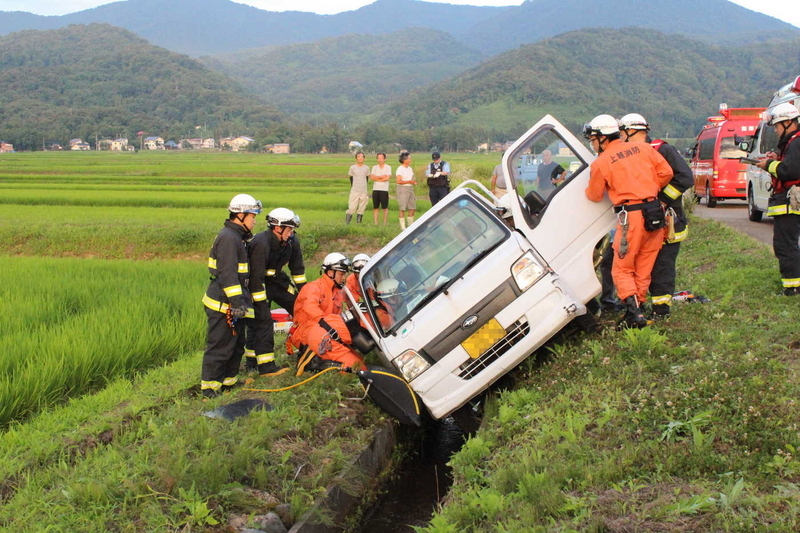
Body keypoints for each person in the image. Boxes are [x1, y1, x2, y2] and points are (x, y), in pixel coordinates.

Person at [584, 114, 673, 328]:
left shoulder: (601, 162)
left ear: (602, 137)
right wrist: (648, 188)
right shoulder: (644, 149)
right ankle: (639, 311)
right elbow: (667, 173)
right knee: (644, 265)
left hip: (630, 216)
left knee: (621, 268)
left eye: (593, 139)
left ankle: (633, 314)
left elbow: (594, 195)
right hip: (655, 212)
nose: (593, 144)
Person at [619, 113, 694, 318]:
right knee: (643, 265)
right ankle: (639, 306)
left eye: (622, 133)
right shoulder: (630, 155)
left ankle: (661, 310)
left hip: (668, 220)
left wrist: (661, 200)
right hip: (645, 223)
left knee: (662, 266)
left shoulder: (662, 149)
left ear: (631, 131)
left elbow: (685, 177)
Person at [201, 194, 261, 398]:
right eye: (253, 215)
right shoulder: (229, 238)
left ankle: (228, 382)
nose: (255, 220)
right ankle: (210, 388)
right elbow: (228, 275)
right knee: (220, 346)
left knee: (236, 346)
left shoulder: (238, 237)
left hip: (234, 304)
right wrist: (237, 303)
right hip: (223, 304)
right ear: (241, 215)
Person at [244, 207, 303, 376]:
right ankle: (255, 364)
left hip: (278, 281)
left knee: (300, 307)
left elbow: (297, 271)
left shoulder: (292, 242)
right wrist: (260, 302)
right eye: (289, 229)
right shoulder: (261, 243)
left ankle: (306, 346)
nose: (291, 233)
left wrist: (306, 295)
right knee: (261, 320)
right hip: (258, 283)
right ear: (277, 228)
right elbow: (256, 277)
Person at [290, 253, 365, 372]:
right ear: (331, 272)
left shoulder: (337, 293)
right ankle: (315, 362)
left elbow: (336, 318)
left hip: (325, 331)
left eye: (344, 274)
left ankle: (325, 360)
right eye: (341, 274)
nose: (344, 278)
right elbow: (311, 310)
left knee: (359, 360)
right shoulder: (313, 288)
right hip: (307, 333)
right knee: (356, 366)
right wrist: (331, 327)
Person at [755, 103, 800, 295]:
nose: (775, 130)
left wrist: (769, 164)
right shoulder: (792, 143)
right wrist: (776, 159)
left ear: (789, 122)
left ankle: (792, 289)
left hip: (790, 203)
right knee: (787, 245)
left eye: (777, 126)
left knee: (786, 246)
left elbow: (789, 171)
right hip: (788, 202)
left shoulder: (796, 142)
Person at [346, 151, 370, 224]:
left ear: (364, 158)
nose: (360, 158)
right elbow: (351, 178)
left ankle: (359, 222)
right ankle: (347, 222)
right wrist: (354, 186)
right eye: (358, 157)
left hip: (363, 190)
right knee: (352, 207)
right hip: (355, 190)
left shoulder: (366, 168)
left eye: (361, 157)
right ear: (356, 158)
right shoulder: (352, 168)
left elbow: (366, 178)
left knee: (362, 207)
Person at [396, 151, 417, 230]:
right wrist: (409, 181)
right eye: (409, 158)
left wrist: (413, 181)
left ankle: (410, 225)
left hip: (410, 188)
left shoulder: (410, 169)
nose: (410, 160)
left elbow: (411, 178)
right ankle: (403, 227)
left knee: (412, 207)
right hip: (402, 189)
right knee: (402, 208)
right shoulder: (400, 169)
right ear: (404, 160)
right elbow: (399, 181)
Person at [370, 153, 391, 225]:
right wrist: (382, 177)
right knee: (375, 207)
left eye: (381, 158)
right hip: (375, 189)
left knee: (385, 207)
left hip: (384, 189)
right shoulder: (374, 167)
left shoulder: (388, 167)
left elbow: (387, 178)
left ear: (384, 159)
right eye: (378, 158)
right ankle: (376, 222)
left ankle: (385, 222)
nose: (380, 160)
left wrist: (377, 178)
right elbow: (372, 177)